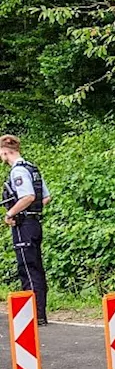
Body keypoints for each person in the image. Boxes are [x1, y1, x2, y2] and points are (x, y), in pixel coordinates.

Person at [1, 135, 51, 325]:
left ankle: (33, 315)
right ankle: (40, 313)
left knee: (27, 269)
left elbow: (28, 196)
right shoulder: (32, 168)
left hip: (24, 225)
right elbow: (45, 197)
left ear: (5, 151)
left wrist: (11, 213)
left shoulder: (18, 171)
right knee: (36, 268)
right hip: (35, 223)